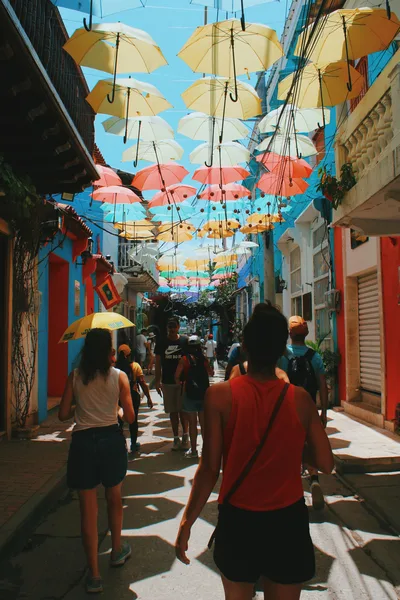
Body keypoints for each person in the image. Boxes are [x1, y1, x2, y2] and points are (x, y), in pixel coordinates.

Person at [175, 303, 334, 600]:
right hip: (287, 522)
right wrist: (295, 446)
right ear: (281, 348)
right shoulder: (299, 400)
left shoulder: (219, 397)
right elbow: (325, 463)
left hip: (238, 520)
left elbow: (209, 469)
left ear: (245, 346)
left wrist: (187, 523)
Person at [59, 329, 135, 594]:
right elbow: (130, 416)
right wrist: (117, 409)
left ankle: (93, 574)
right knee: (115, 498)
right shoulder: (120, 377)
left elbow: (62, 414)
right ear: (108, 351)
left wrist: (80, 407)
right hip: (110, 440)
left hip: (82, 444)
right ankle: (116, 550)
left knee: (87, 510)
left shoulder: (75, 377)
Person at [277, 316, 329, 511]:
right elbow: (323, 386)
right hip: (308, 408)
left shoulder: (282, 356)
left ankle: (292, 488)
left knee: (288, 446)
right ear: (306, 334)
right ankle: (314, 478)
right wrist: (323, 411)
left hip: (286, 407)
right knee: (309, 444)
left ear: (290, 334)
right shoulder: (314, 356)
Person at [155, 317, 190, 451]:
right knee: (172, 411)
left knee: (183, 411)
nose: (172, 329)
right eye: (170, 327)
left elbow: (189, 360)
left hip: (183, 382)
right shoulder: (162, 342)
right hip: (167, 382)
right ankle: (176, 438)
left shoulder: (184, 341)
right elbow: (158, 363)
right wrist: (157, 381)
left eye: (174, 326)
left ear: (178, 327)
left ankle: (185, 436)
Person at [175, 335, 212, 459]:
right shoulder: (204, 359)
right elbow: (211, 373)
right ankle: (206, 449)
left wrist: (182, 383)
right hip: (203, 394)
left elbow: (176, 376)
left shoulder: (184, 360)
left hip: (189, 394)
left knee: (192, 423)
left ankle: (194, 450)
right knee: (203, 423)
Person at [116, 344, 154, 454]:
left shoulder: (115, 368)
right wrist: (148, 398)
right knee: (133, 420)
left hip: (118, 397)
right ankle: (133, 444)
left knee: (119, 421)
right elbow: (142, 383)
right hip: (132, 396)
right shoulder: (135, 366)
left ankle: (120, 444)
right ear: (129, 355)